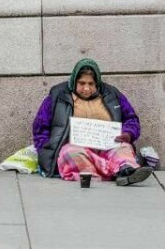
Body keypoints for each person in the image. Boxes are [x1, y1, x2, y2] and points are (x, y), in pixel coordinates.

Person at [32, 58, 154, 186]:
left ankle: (123, 168)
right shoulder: (58, 95)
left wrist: (128, 134)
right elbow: (40, 128)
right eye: (82, 83)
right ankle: (118, 171)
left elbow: (131, 119)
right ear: (74, 81)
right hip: (76, 148)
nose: (86, 88)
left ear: (97, 83)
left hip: (109, 146)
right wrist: (47, 150)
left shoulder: (112, 94)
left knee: (123, 149)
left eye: (91, 84)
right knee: (70, 154)